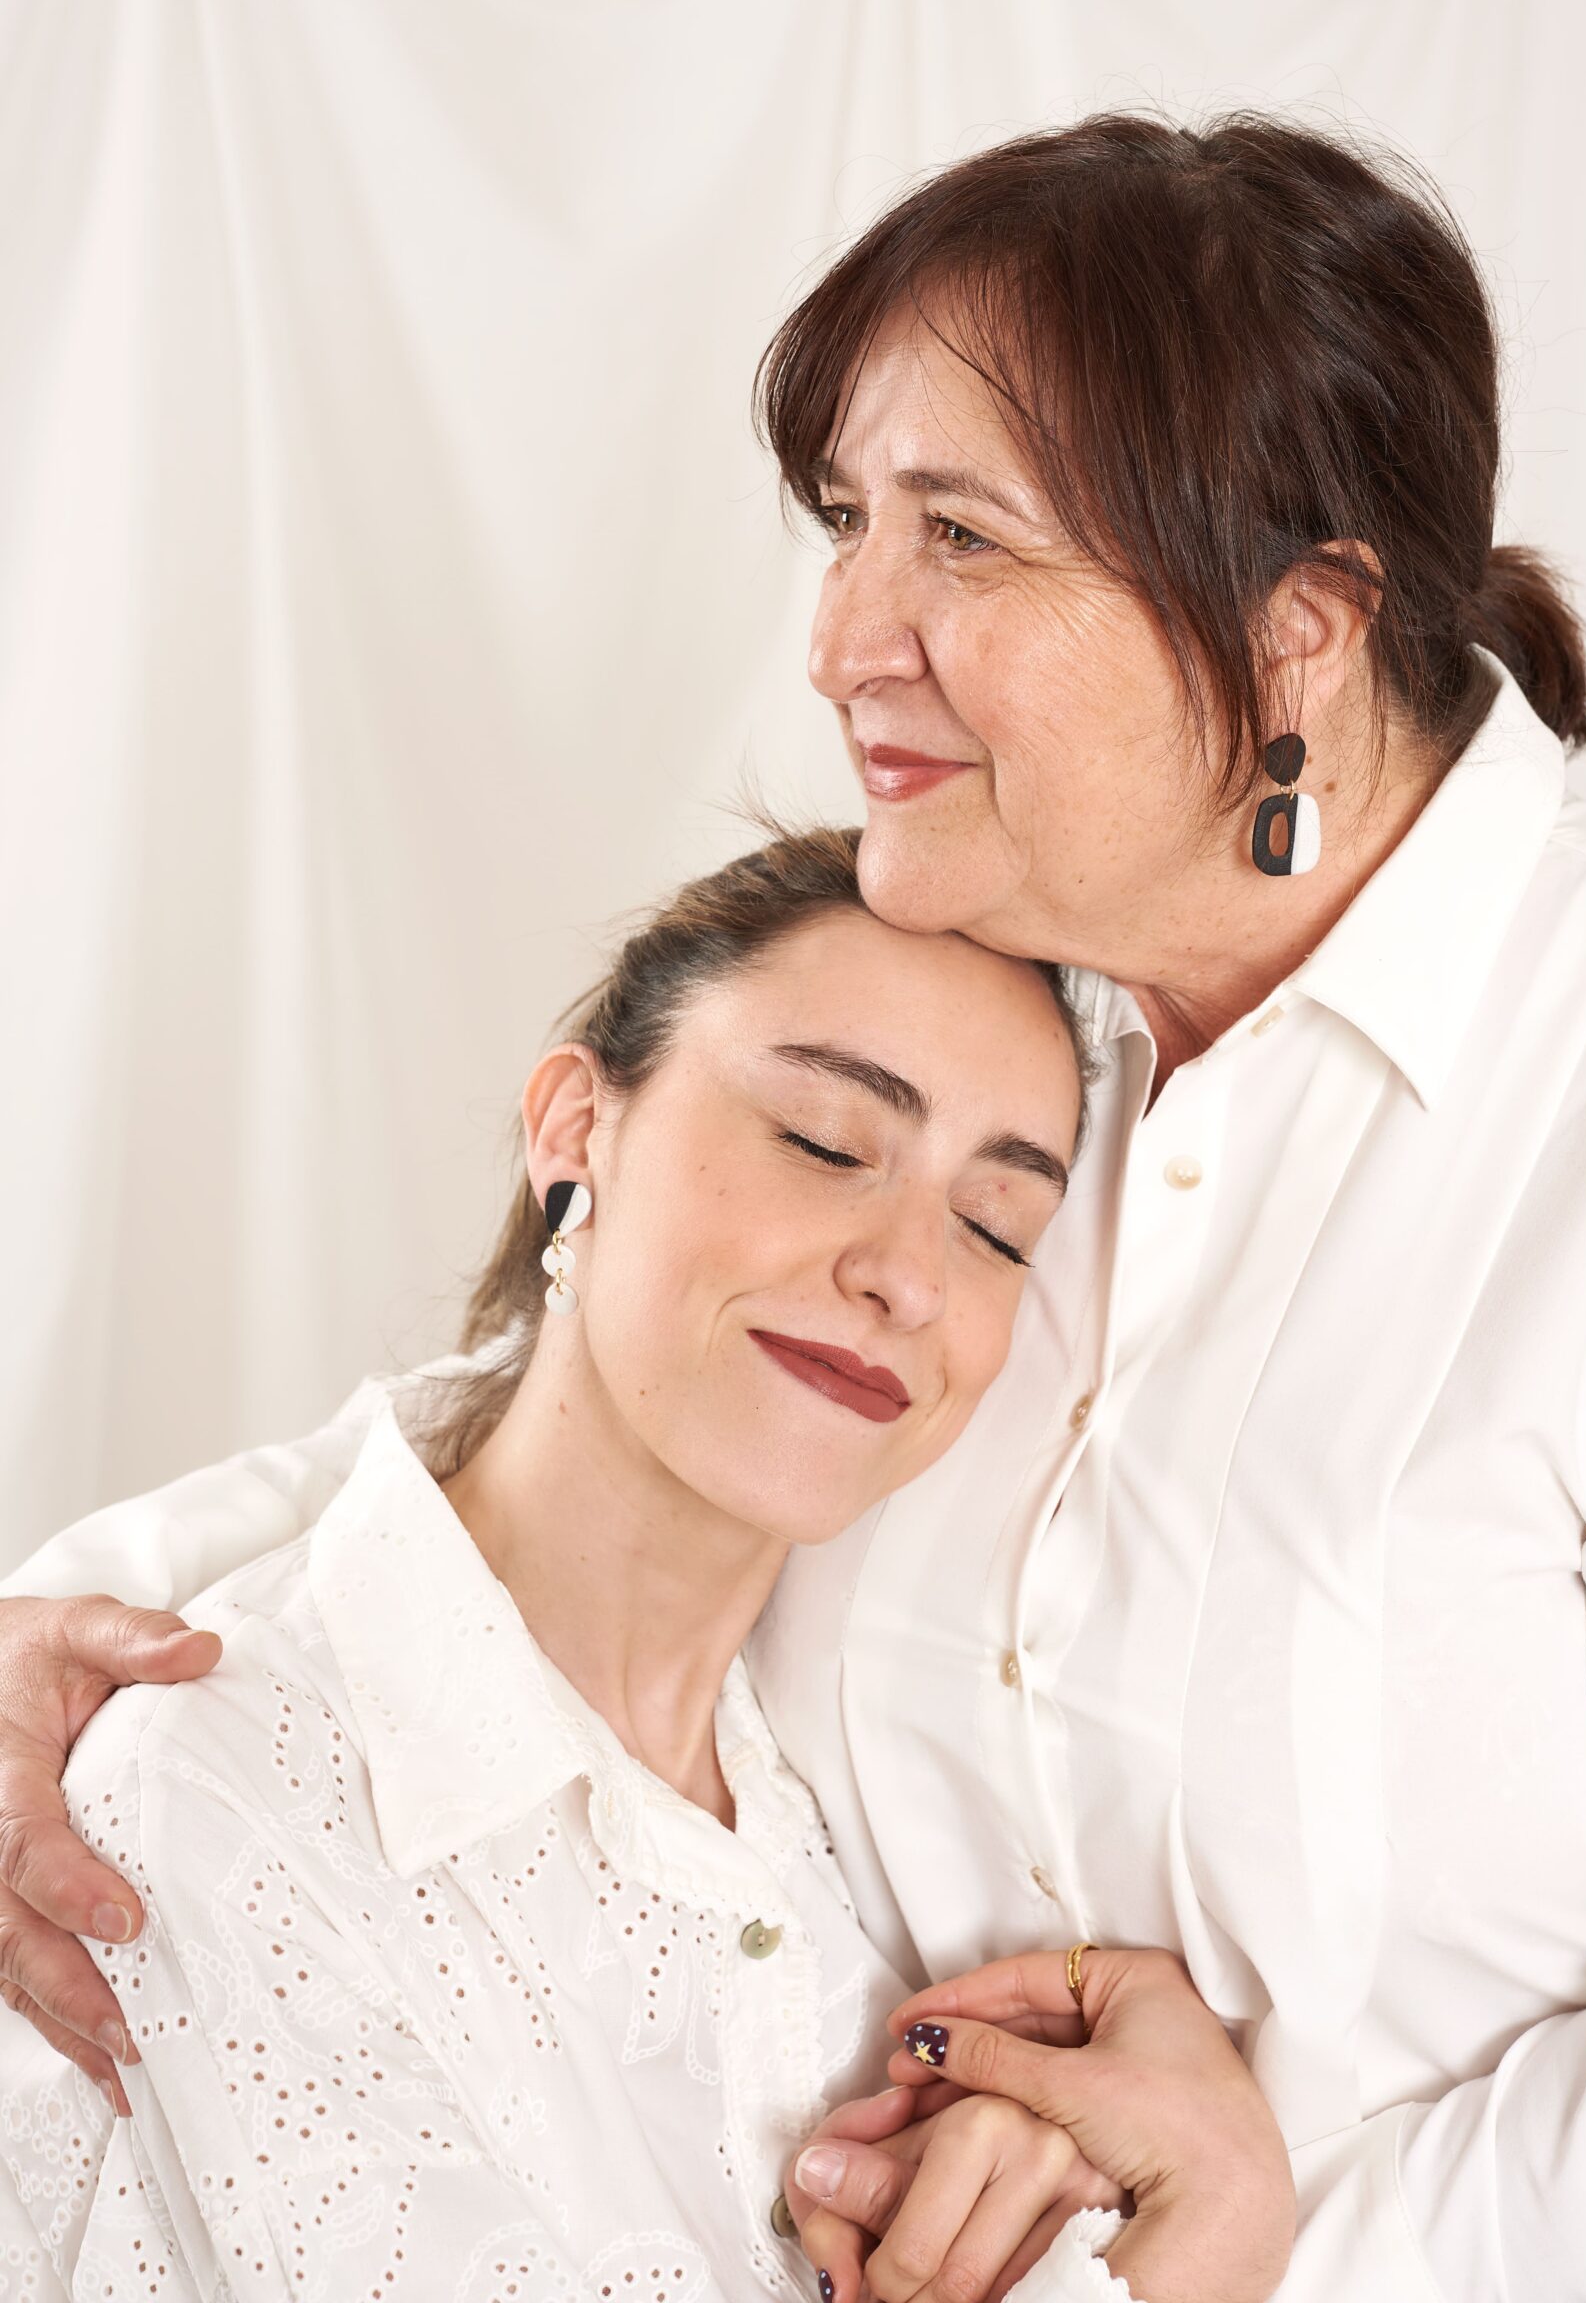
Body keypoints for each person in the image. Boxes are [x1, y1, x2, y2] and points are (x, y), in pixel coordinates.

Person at [3, 111, 1586, 2300]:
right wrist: (91, 1619)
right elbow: (615, 1387)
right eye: (845, 521)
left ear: (1296, 632)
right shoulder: (1003, 991)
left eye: (960, 539)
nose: (838, 640)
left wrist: (1219, 2259)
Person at [5, 828, 1271, 2300]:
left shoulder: (850, 1834)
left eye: (996, 1228)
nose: (909, 1278)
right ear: (574, 1133)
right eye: (825, 1144)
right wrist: (1204, 2244)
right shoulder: (212, 1810)